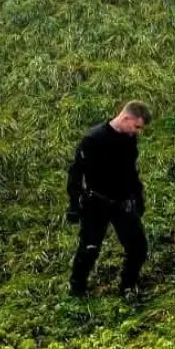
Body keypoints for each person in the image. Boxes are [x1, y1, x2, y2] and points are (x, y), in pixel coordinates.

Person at [67, 101, 152, 298]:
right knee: (89, 248)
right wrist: (73, 203)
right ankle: (76, 290)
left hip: (123, 202)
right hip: (97, 202)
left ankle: (128, 286)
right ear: (126, 118)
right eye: (136, 126)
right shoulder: (93, 139)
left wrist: (138, 197)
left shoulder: (129, 139)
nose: (137, 132)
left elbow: (132, 171)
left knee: (138, 246)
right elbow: (76, 172)